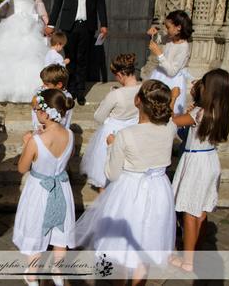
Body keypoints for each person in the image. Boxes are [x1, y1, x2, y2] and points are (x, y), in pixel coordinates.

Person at [74, 80, 180, 285]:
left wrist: (111, 147)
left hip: (129, 192)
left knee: (120, 251)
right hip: (159, 190)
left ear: (137, 100)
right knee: (147, 242)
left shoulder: (125, 135)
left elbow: (112, 174)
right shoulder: (171, 128)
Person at [170, 68, 229, 272]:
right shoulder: (220, 112)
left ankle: (187, 261)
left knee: (189, 212)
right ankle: (197, 252)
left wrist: (173, 99)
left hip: (195, 162)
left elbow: (173, 121)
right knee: (201, 211)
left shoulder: (199, 113)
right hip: (210, 160)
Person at [13, 89, 75, 286]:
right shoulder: (71, 134)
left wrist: (27, 144)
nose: (35, 112)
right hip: (62, 187)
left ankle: (32, 275)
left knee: (36, 230)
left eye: (37, 109)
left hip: (39, 190)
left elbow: (22, 168)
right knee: (60, 234)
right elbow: (67, 157)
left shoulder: (36, 141)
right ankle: (58, 273)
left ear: (46, 113)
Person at [80, 53, 140, 192]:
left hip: (112, 134)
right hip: (132, 132)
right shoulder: (142, 89)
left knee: (104, 174)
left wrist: (111, 120)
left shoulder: (116, 94)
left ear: (120, 74)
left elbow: (98, 116)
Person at [45, 0, 108, 106]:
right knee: (70, 58)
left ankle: (80, 92)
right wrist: (51, 24)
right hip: (69, 25)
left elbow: (100, 1)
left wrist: (104, 23)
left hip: (87, 24)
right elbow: (58, 1)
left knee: (83, 59)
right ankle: (70, 89)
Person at [147, 10, 194, 114]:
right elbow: (159, 40)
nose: (166, 30)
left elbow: (172, 71)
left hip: (172, 82)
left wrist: (159, 54)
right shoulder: (170, 38)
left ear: (178, 28)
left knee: (166, 109)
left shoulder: (183, 47)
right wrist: (153, 35)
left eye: (168, 27)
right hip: (159, 75)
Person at [31, 64, 73, 132]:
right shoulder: (40, 93)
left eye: (47, 84)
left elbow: (67, 118)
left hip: (58, 132)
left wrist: (64, 132)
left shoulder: (67, 97)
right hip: (41, 130)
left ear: (59, 85)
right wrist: (38, 126)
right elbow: (35, 112)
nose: (43, 86)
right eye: (43, 83)